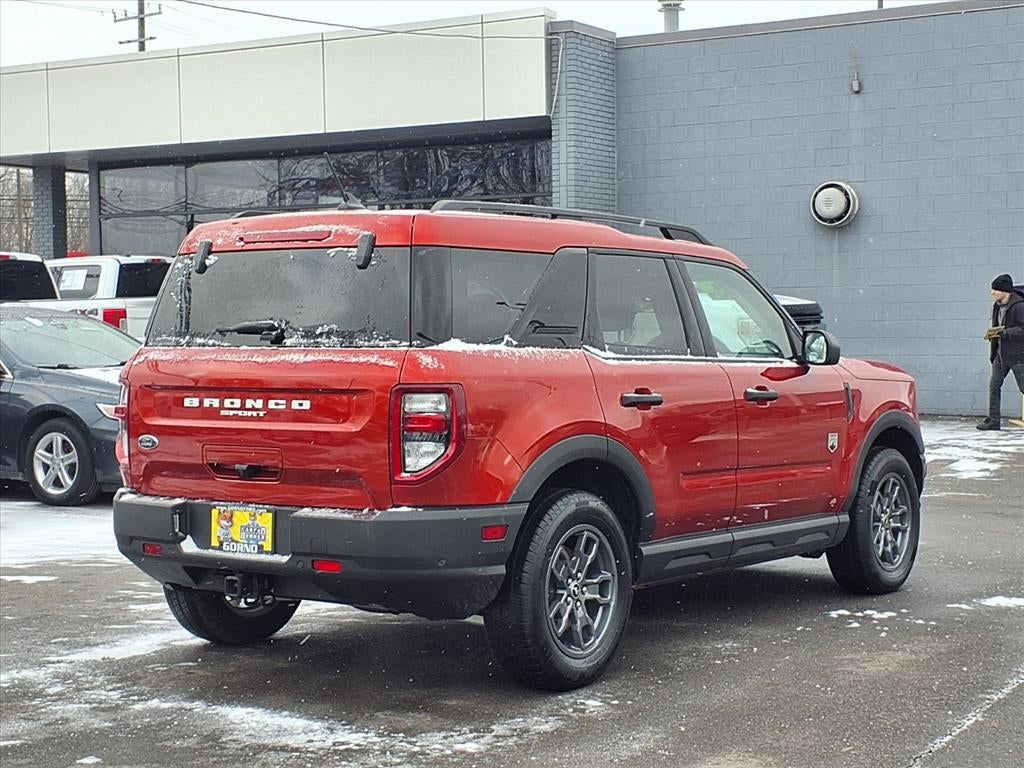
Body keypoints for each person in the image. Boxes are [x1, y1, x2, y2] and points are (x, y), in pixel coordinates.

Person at [977, 273, 1024, 430]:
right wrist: (993, 345)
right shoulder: (997, 306)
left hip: (1018, 355)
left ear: (1005, 291)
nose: (993, 293)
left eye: (996, 290)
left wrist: (1005, 332)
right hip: (1000, 353)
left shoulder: (1019, 306)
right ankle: (994, 420)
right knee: (994, 386)